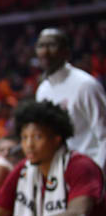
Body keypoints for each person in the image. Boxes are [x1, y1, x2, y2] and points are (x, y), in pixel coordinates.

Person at [0, 100, 106, 216]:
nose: (29, 145)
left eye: (37, 137)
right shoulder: (24, 169)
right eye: (25, 137)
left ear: (56, 138)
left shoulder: (81, 166)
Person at [34, 27, 106, 171]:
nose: (45, 51)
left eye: (52, 45)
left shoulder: (86, 85)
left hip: (89, 173)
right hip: (61, 174)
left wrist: (98, 175)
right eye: (41, 45)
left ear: (66, 52)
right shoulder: (42, 90)